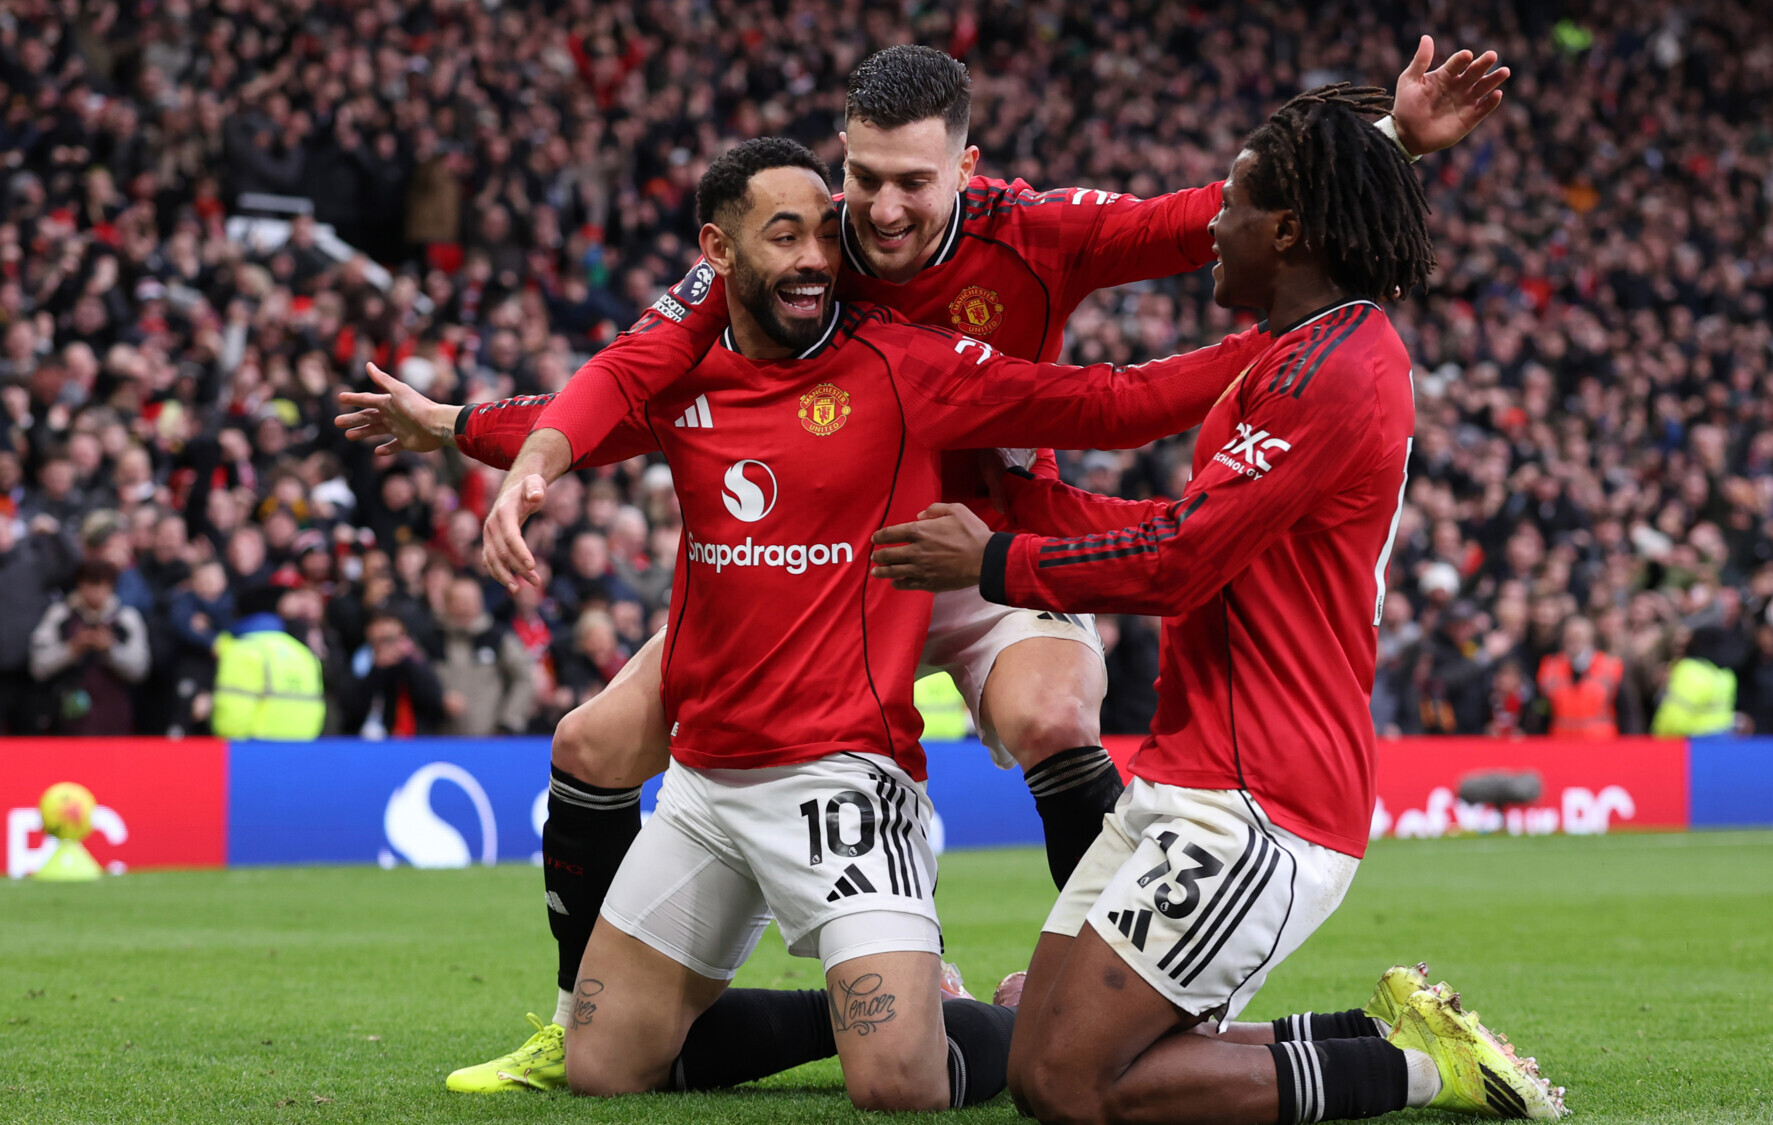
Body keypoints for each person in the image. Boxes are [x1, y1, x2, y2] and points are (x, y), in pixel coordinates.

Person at [337, 39, 1511, 1093]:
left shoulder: (1034, 236)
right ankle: (579, 1021)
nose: (881, 210)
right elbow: (638, 374)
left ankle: (1143, 1008)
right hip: (846, 552)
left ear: (967, 169)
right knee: (592, 743)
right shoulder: (798, 240)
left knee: (1052, 714)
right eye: (864, 179)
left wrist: (1389, 144)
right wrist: (475, 432)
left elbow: (1212, 225)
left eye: (913, 181)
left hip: (995, 542)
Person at [869, 86, 1564, 1122]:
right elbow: (1176, 525)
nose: (1212, 228)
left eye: (1230, 206)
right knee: (1036, 1049)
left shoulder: (1337, 369)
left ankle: (1423, 1074)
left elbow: (1179, 561)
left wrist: (1000, 559)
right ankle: (1376, 1034)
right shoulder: (1290, 354)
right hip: (1193, 771)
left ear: (1284, 231)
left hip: (1264, 796)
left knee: (1068, 1082)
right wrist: (1020, 503)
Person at [29, 557, 151, 736]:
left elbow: (140, 669)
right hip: (66, 717)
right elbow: (38, 666)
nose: (95, 592)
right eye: (90, 584)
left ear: (111, 586)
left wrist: (110, 649)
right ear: (79, 585)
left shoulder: (126, 618)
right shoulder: (60, 615)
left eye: (101, 584)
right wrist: (72, 649)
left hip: (114, 718)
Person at [211, 585, 326, 740]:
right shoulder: (304, 653)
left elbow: (232, 720)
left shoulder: (242, 651)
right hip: (302, 749)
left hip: (251, 750)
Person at [0, 512, 75, 733]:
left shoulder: (32, 563)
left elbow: (73, 565)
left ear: (12, 532)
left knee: (30, 738)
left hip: (29, 671)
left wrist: (57, 532)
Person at [435, 575, 537, 736]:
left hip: (490, 738)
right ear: (447, 604)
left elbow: (524, 678)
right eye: (458, 601)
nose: (464, 607)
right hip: (437, 739)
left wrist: (509, 721)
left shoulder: (498, 638)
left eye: (469, 601)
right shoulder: (432, 640)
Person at [343, 611, 447, 738]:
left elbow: (434, 699)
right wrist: (376, 668)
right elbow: (351, 708)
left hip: (414, 737)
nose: (386, 646)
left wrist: (407, 660)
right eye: (380, 640)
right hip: (364, 738)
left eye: (390, 639)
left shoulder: (414, 660)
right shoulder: (359, 659)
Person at [1535, 615, 1638, 738]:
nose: (1575, 643)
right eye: (1570, 638)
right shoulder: (1550, 668)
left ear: (1590, 639)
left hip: (1600, 741)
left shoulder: (1611, 667)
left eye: (1580, 638)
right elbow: (1540, 711)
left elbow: (1628, 712)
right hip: (1561, 741)